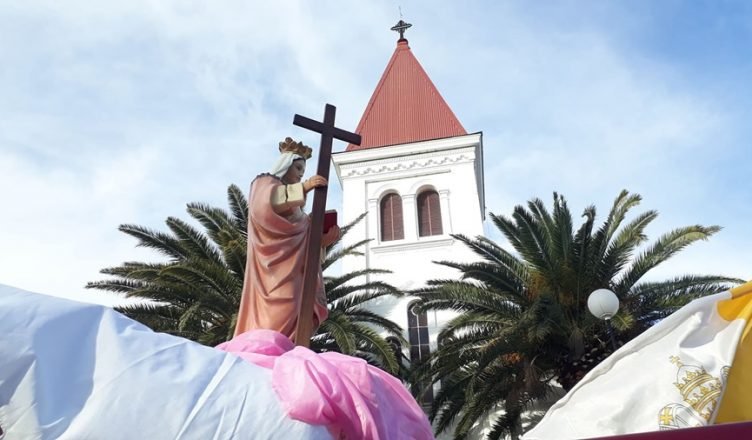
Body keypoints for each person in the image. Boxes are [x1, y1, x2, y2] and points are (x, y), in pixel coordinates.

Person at [234, 137, 340, 341]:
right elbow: (265, 205)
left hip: (295, 274)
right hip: (272, 273)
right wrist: (305, 187)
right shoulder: (264, 185)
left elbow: (304, 238)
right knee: (277, 313)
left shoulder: (297, 210)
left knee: (297, 311)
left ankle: (289, 349)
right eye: (298, 168)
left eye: (303, 171)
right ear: (285, 165)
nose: (301, 174)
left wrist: (322, 242)